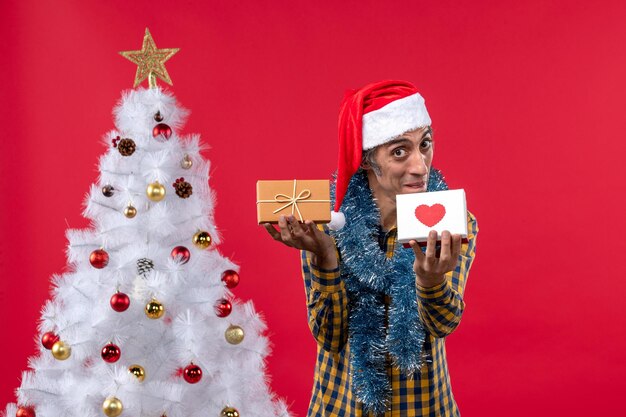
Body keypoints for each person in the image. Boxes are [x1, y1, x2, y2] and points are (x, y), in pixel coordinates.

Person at [263, 80, 478, 417]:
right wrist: (325, 258)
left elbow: (442, 326)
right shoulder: (327, 224)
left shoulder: (451, 222)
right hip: (341, 405)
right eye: (399, 151)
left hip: (422, 405)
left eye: (425, 144)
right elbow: (331, 338)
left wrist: (431, 283)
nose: (420, 165)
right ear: (365, 160)